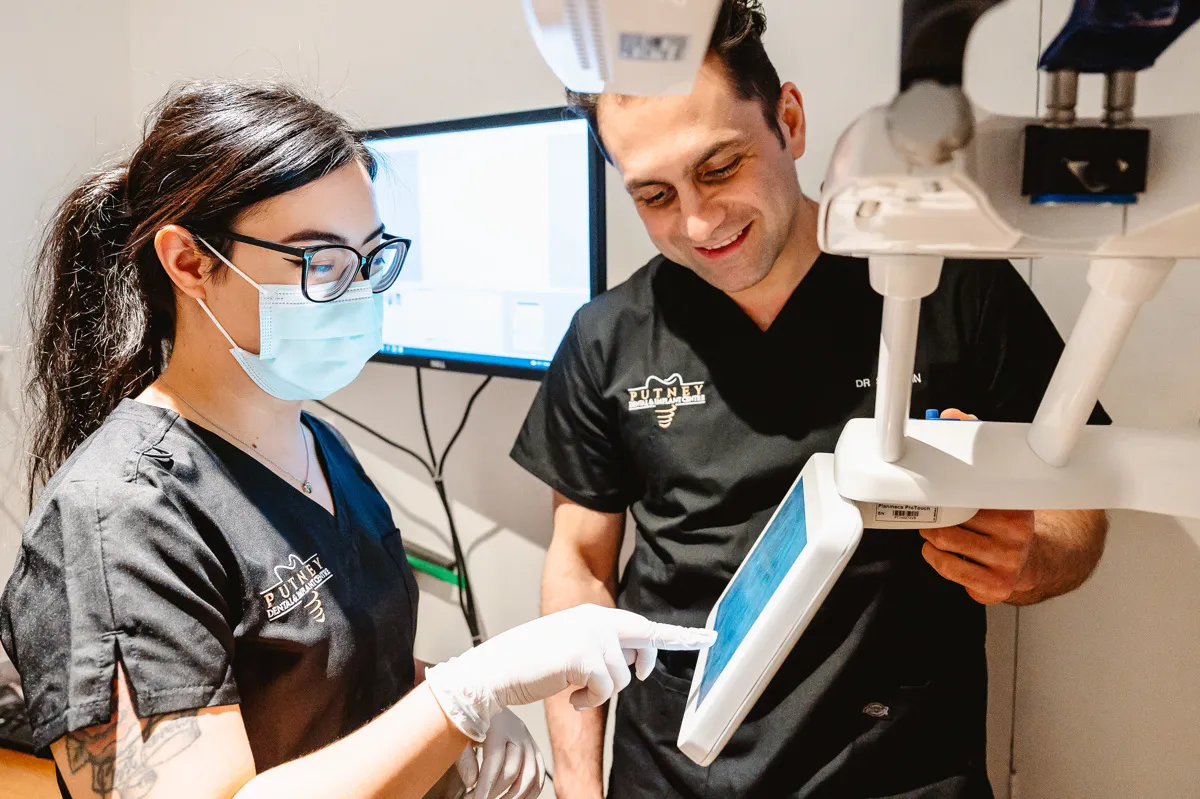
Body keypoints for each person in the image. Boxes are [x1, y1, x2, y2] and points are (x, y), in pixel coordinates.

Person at [0, 80, 714, 799]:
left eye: (370, 259)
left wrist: (450, 705)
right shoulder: (117, 519)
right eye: (320, 261)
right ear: (190, 263)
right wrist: (465, 694)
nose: (361, 292)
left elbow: (334, 681)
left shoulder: (320, 448)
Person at [509, 2, 1111, 797]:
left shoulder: (948, 289)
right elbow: (581, 566)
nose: (698, 222)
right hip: (676, 770)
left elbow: (1081, 508)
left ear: (788, 121)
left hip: (900, 768)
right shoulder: (606, 338)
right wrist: (576, 785)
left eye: (719, 167)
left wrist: (1028, 555)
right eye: (654, 195)